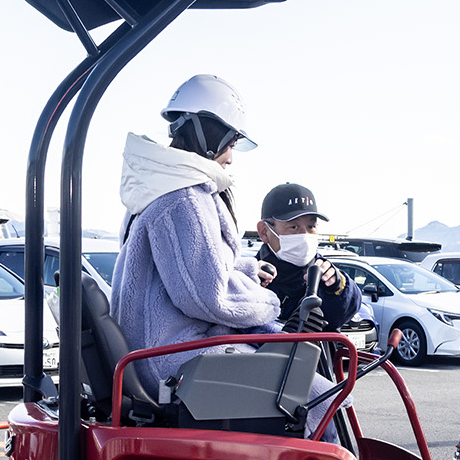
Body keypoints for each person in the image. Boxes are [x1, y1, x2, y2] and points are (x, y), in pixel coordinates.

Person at [110, 74, 283, 394]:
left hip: (155, 349)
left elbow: (178, 271)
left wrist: (247, 269)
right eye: (230, 144)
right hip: (171, 357)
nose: (231, 157)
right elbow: (207, 296)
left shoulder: (157, 186)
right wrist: (269, 304)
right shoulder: (183, 198)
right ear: (210, 135)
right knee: (309, 391)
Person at [254, 182, 361, 331]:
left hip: (314, 354)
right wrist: (249, 283)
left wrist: (337, 287)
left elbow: (346, 312)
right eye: (293, 227)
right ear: (264, 231)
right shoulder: (250, 274)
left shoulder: (325, 273)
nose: (304, 236)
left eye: (311, 227)